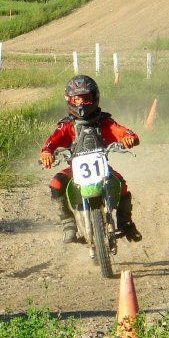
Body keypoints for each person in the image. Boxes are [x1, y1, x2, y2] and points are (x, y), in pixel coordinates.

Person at [39, 75, 143, 244]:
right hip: (75, 170)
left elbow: (122, 131)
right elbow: (52, 141)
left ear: (94, 97)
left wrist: (129, 138)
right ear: (70, 100)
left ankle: (125, 222)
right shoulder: (67, 126)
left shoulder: (104, 122)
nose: (81, 103)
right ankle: (67, 221)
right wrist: (46, 152)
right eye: (77, 98)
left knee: (121, 185)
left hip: (102, 168)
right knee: (56, 184)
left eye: (86, 98)